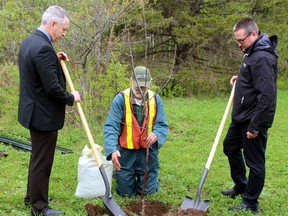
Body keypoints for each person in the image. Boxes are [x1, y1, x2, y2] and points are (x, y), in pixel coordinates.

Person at [18, 6, 81, 216]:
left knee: (37, 157)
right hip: (43, 115)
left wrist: (55, 58)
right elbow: (53, 88)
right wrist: (72, 97)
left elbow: (38, 71)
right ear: (53, 24)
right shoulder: (43, 48)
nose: (64, 33)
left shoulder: (30, 41)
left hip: (32, 111)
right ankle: (39, 206)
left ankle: (32, 196)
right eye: (63, 29)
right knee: (42, 161)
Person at [221, 18, 278, 214]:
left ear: (253, 34)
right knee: (230, 147)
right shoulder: (251, 52)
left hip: (253, 119)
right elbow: (255, 79)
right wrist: (242, 78)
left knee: (254, 162)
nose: (239, 45)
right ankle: (241, 185)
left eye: (241, 40)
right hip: (241, 117)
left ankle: (250, 202)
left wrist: (255, 126)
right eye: (236, 41)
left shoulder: (262, 57)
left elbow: (267, 95)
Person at [104, 66, 169, 197]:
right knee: (125, 193)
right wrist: (112, 150)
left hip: (148, 152)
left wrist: (156, 134)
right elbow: (111, 126)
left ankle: (149, 178)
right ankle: (121, 175)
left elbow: (162, 124)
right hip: (126, 153)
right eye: (137, 86)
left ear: (150, 83)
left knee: (148, 192)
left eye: (144, 87)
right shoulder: (120, 99)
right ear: (131, 81)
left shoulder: (155, 99)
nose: (140, 90)